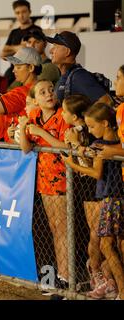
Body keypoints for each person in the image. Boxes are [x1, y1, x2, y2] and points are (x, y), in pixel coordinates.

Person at [62, 102, 124, 300]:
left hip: (112, 199)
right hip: (112, 197)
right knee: (113, 245)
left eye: (92, 126)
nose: (89, 130)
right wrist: (82, 150)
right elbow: (96, 165)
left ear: (105, 123)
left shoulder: (106, 146)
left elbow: (96, 173)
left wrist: (72, 164)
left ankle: (122, 291)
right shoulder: (108, 144)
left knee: (107, 246)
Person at [19, 79, 71, 287]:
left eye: (51, 90)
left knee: (62, 228)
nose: (49, 94)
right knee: (53, 227)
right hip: (43, 180)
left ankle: (66, 277)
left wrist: (41, 133)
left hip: (63, 179)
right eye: (42, 92)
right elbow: (25, 149)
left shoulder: (62, 116)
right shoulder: (34, 116)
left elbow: (66, 147)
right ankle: (58, 275)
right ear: (35, 100)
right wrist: (23, 130)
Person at [46, 31, 113, 106]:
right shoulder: (66, 76)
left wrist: (85, 117)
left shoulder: (79, 77)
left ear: (67, 52)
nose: (50, 51)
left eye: (55, 46)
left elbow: (107, 101)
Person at [0, 47, 42, 141]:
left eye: (18, 67)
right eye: (14, 66)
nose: (14, 70)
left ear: (31, 67)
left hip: (17, 151)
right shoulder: (41, 88)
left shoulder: (24, 91)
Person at [0, 0, 42, 85]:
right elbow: (3, 54)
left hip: (28, 71)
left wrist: (11, 50)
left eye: (23, 12)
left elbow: (35, 53)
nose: (21, 15)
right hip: (13, 70)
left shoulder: (36, 30)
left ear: (29, 12)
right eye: (17, 13)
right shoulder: (14, 32)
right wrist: (17, 48)